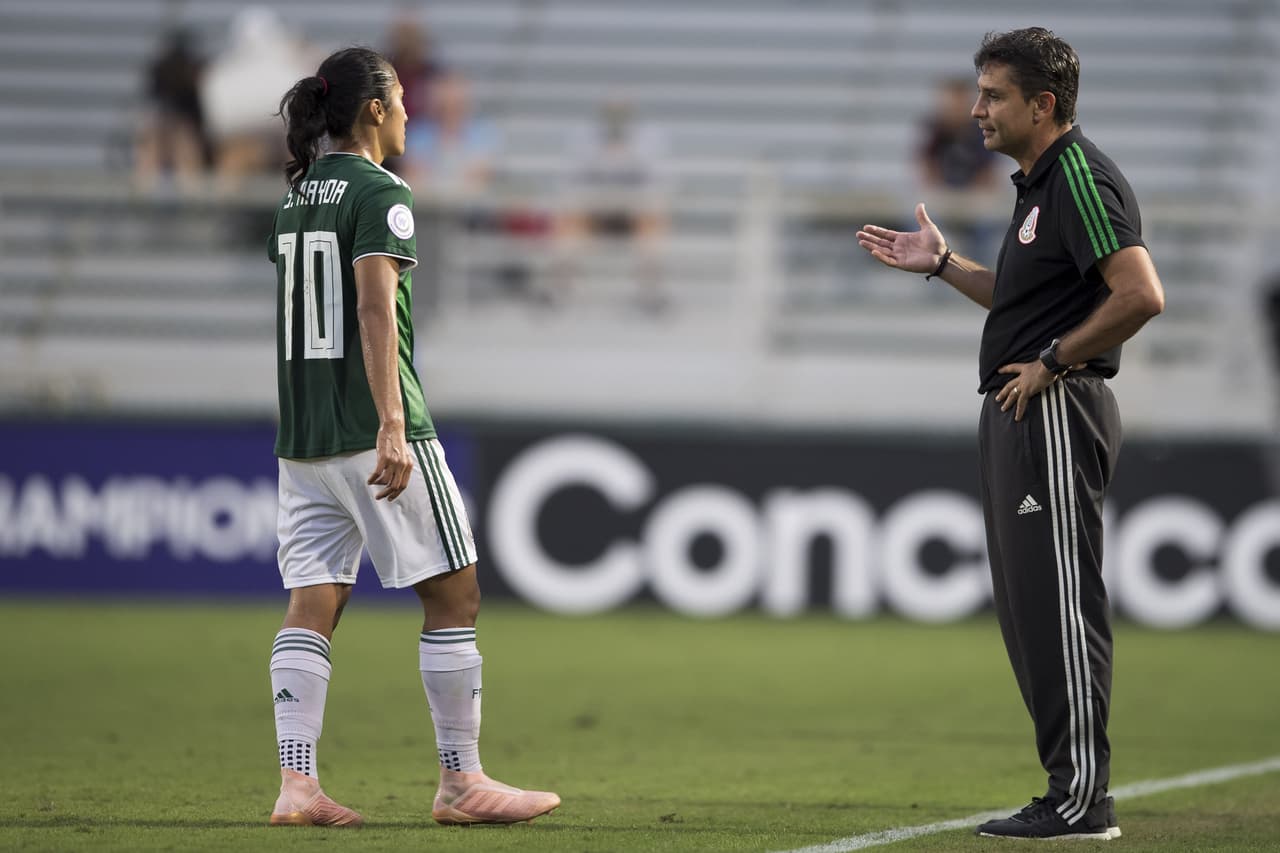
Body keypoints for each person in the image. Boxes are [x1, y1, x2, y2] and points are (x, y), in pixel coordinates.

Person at [856, 27, 1164, 841]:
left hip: (1055, 410)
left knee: (1059, 603)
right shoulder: (1039, 186)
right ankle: (1067, 788)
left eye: (993, 95)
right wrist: (942, 264)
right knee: (1031, 611)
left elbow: (1140, 294)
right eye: (977, 91)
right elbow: (1028, 304)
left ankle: (1081, 799)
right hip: (1022, 411)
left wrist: (1053, 362)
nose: (976, 109)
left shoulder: (1081, 179)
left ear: (1043, 104)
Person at [265, 46, 560, 828]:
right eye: (398, 99)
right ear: (372, 109)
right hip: (371, 429)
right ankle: (461, 781)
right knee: (454, 591)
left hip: (304, 437)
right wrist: (393, 426)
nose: (407, 113)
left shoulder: (295, 198)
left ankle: (298, 785)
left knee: (312, 602)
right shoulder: (382, 192)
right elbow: (371, 310)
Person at [132, 27, 211, 190]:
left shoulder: (195, 85)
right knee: (151, 143)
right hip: (162, 126)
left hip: (189, 132)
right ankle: (142, 197)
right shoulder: (160, 79)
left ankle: (192, 200)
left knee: (185, 144)